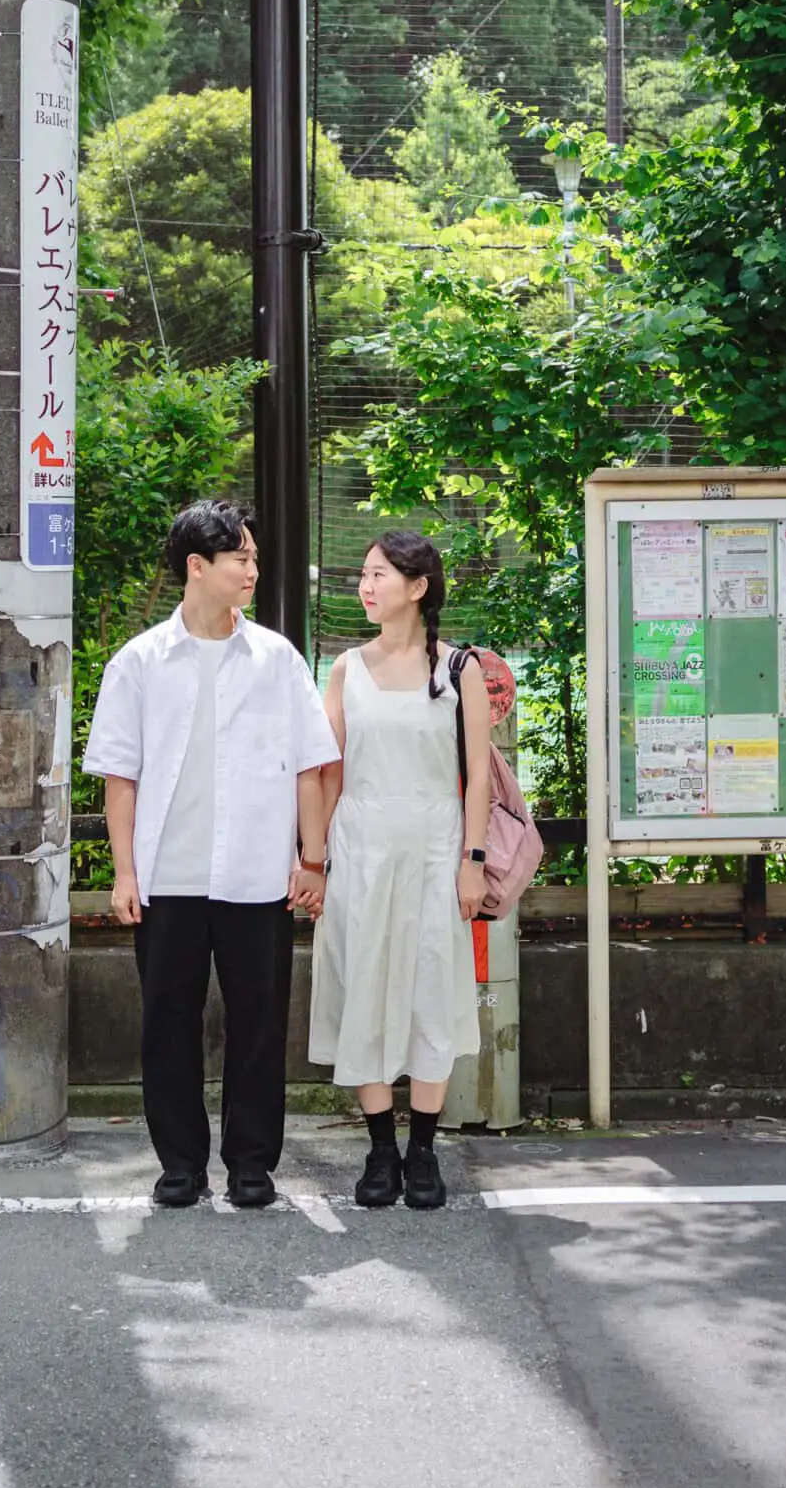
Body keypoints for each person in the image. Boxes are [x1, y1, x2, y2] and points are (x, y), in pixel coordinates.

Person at [84, 500, 336, 1210]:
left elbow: (310, 767)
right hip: (168, 876)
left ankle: (252, 1164)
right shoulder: (139, 662)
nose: (253, 571)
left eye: (254, 558)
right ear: (198, 566)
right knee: (167, 1024)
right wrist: (125, 873)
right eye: (240, 559)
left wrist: (312, 859)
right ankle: (180, 1164)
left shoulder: (277, 660)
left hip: (257, 874)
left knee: (260, 1023)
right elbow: (120, 777)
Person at [308, 531, 492, 1212]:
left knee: (430, 990)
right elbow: (327, 772)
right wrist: (314, 860)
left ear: (418, 587)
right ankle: (380, 1148)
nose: (365, 585)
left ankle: (424, 1150)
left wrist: (473, 861)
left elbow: (478, 778)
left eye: (379, 574)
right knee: (366, 987)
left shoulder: (458, 669)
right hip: (361, 848)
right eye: (363, 574)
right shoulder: (345, 668)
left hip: (436, 848)